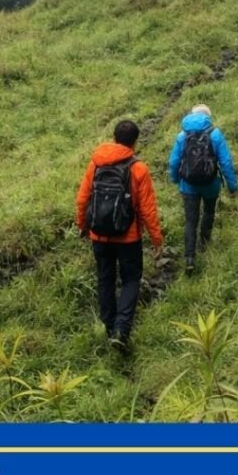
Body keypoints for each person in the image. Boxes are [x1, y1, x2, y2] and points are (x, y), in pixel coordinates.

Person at [76, 119, 163, 352]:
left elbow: (83, 198)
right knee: (131, 279)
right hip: (128, 237)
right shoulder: (138, 169)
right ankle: (121, 331)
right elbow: (147, 209)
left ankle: (109, 326)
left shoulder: (95, 164)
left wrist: (83, 225)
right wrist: (156, 239)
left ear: (114, 138)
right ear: (135, 142)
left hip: (99, 235)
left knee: (105, 278)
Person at [168, 104, 238, 273]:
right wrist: (232, 186)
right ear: (208, 117)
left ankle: (189, 258)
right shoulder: (215, 134)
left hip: (188, 185)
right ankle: (205, 244)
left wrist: (175, 179)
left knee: (190, 221)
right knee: (208, 212)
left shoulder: (182, 136)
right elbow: (226, 162)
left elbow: (173, 162)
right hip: (210, 184)